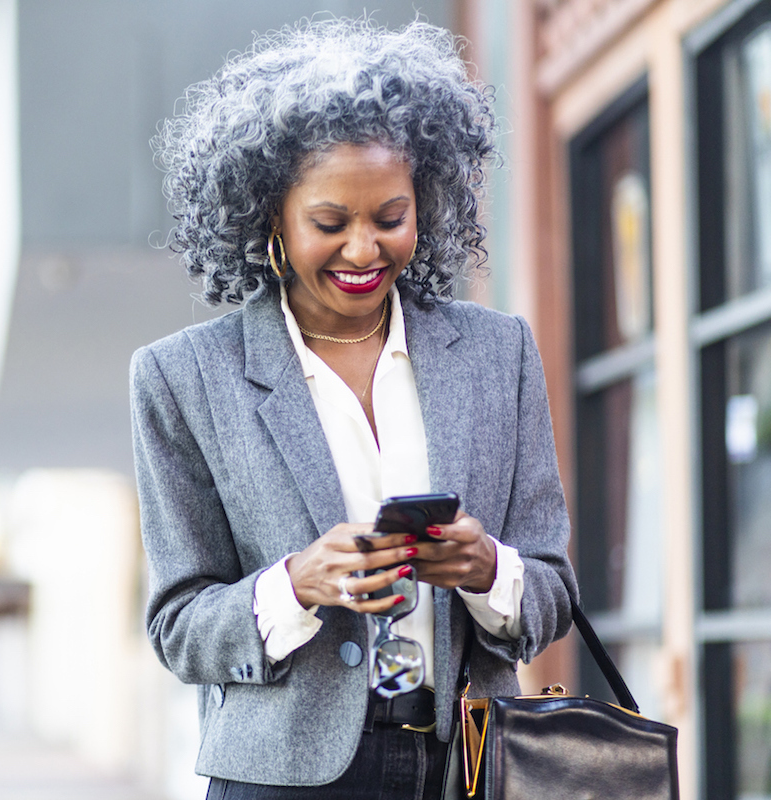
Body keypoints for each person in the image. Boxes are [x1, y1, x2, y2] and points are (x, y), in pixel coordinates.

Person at [129, 18, 578, 800]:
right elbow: (179, 628)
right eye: (330, 223)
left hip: (468, 769)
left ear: (424, 202)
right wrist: (297, 583)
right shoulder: (181, 377)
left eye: (390, 218)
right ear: (271, 215)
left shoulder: (497, 352)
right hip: (282, 779)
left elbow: (552, 592)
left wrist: (487, 570)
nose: (365, 250)